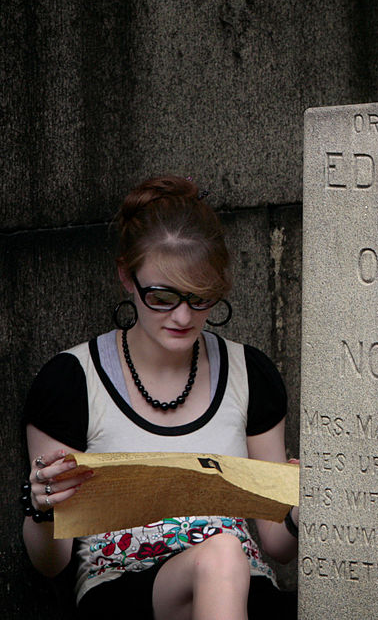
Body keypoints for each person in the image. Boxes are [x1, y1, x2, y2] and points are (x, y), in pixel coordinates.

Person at [21, 175, 298, 620]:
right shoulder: (73, 381)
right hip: (126, 595)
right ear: (126, 278)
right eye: (163, 296)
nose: (184, 316)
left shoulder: (251, 374)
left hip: (243, 591)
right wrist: (41, 507)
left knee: (228, 556)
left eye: (201, 297)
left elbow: (277, 546)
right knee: (223, 552)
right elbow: (50, 563)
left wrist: (305, 511)